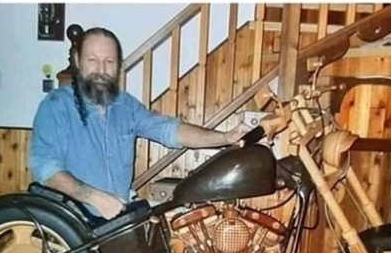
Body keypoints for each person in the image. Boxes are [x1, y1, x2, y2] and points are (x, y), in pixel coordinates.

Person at [29, 27, 249, 219]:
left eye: (109, 62)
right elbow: (45, 168)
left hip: (117, 221)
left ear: (118, 66)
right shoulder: (55, 106)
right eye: (92, 60)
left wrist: (225, 137)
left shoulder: (126, 105)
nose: (101, 70)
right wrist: (95, 198)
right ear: (78, 61)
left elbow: (169, 131)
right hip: (71, 228)